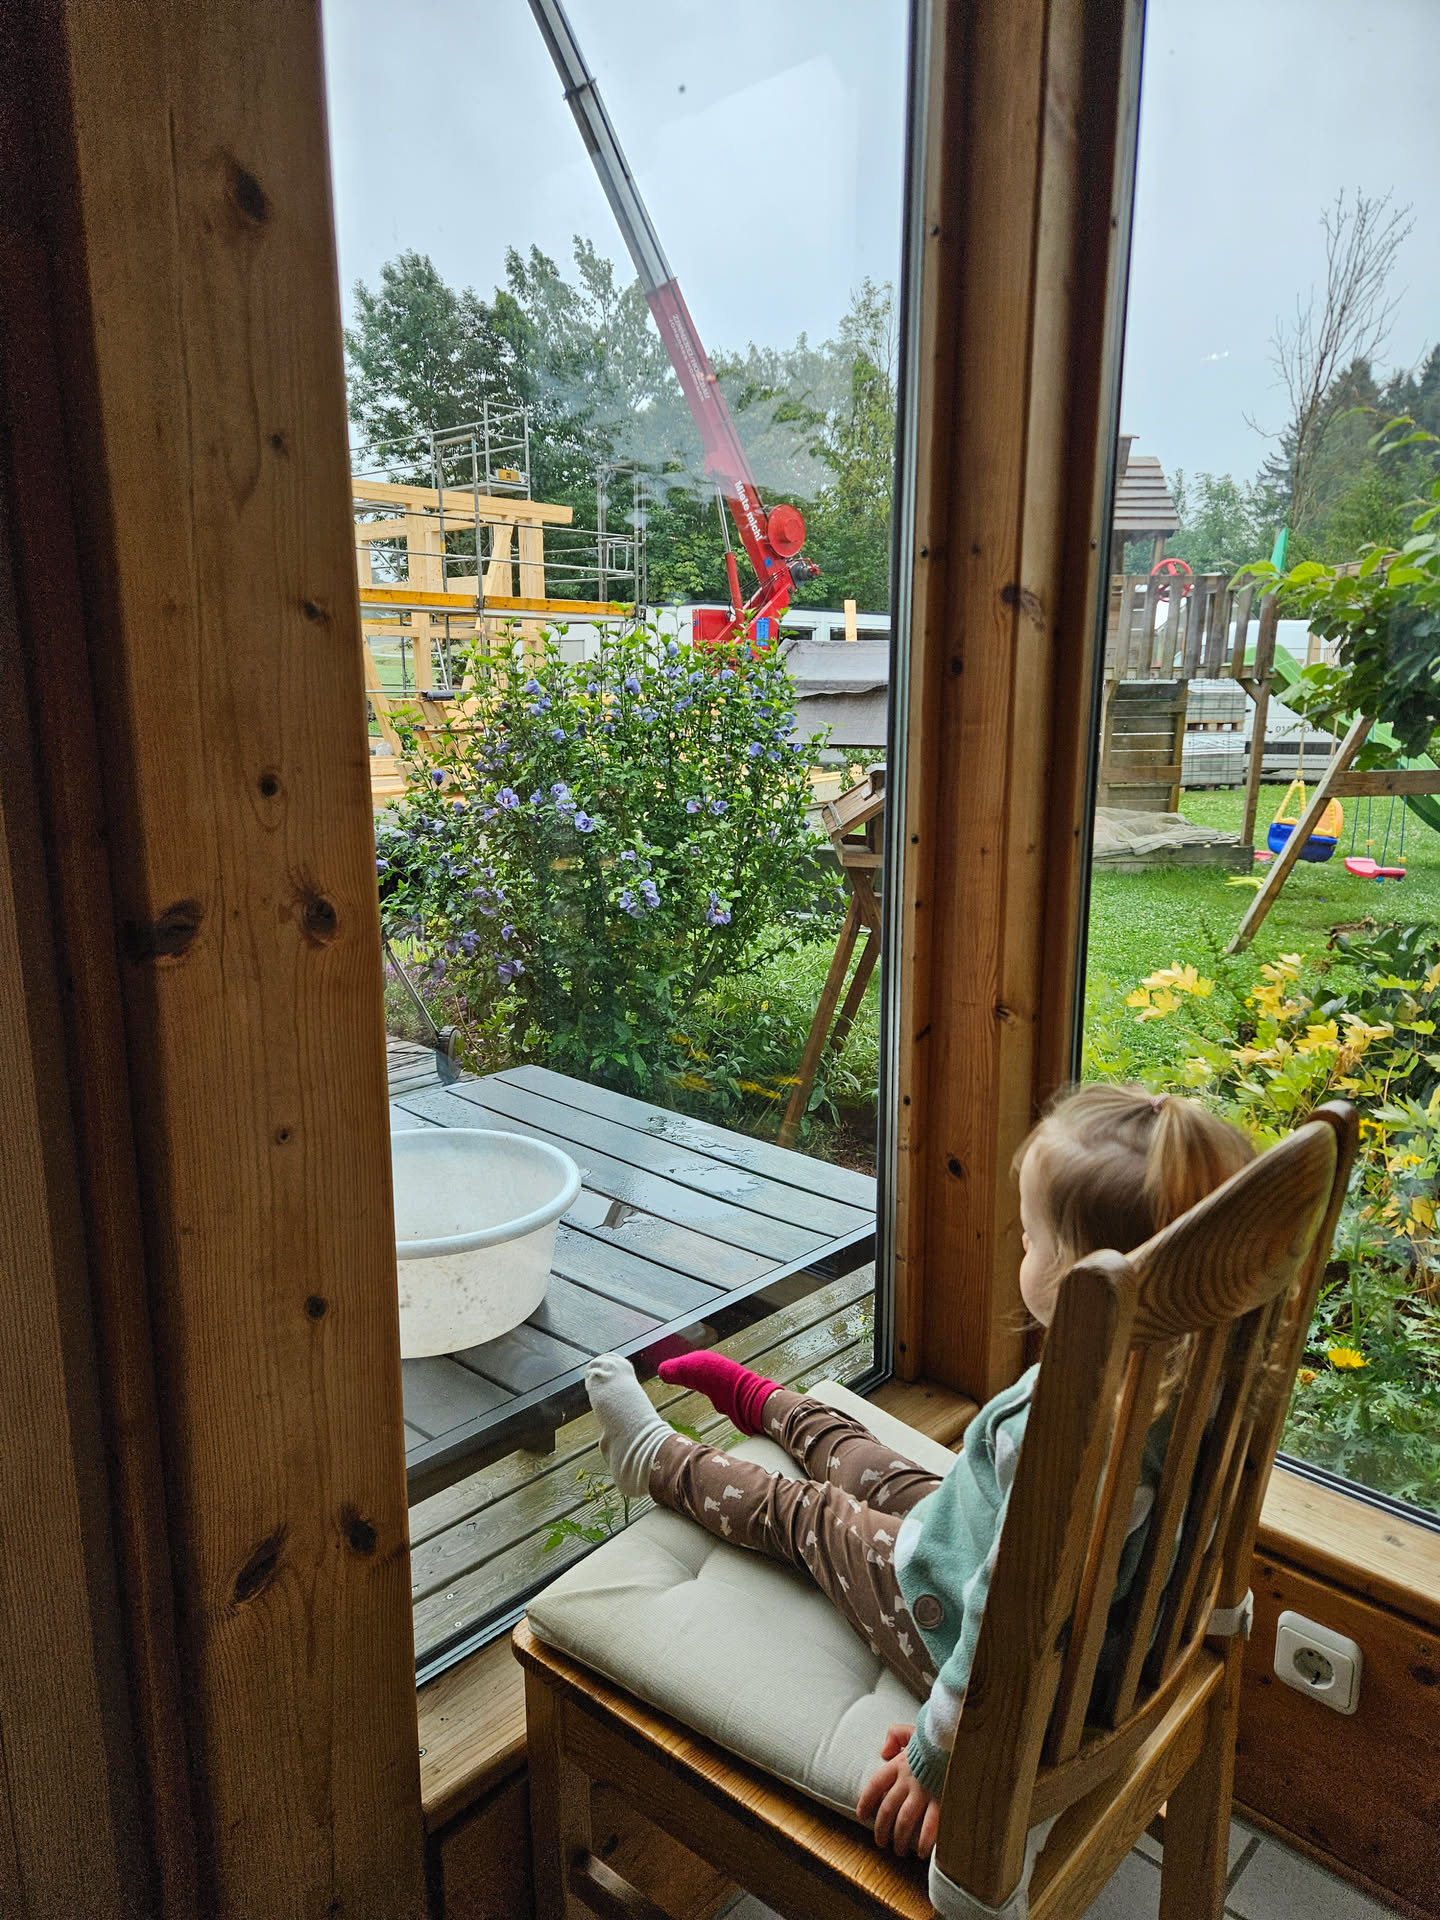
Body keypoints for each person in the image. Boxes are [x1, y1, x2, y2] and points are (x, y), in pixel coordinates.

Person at [582, 1084, 1253, 1861]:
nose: (1021, 1246)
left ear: (1087, 1282)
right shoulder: (1197, 1369)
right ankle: (766, 1404)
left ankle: (653, 1459)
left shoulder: (1070, 1447)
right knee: (870, 1461)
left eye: (1033, 1239)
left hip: (967, 1630)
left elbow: (1006, 1622)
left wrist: (940, 1751)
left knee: (809, 1515)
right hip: (996, 1546)